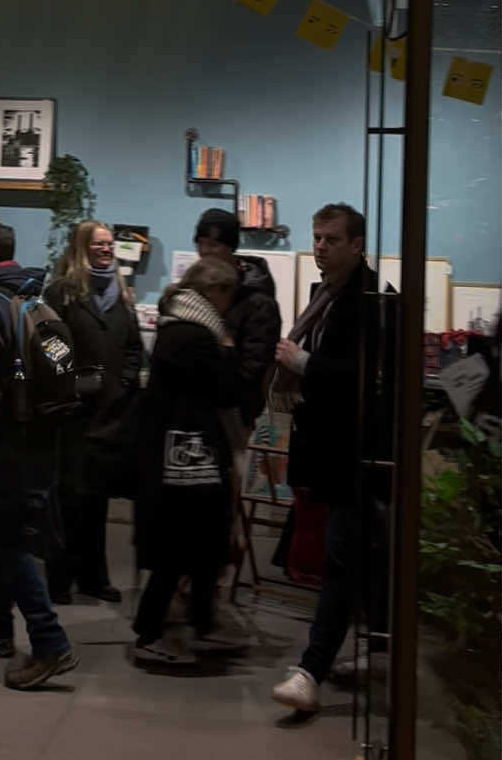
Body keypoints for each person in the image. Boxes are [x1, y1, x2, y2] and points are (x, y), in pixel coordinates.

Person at [0, 222, 77, 690]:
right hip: (36, 434)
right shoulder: (32, 294)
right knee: (7, 534)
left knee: (8, 541)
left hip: (0, 441)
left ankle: (49, 642)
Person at [269, 202, 379, 713]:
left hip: (354, 452)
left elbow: (365, 379)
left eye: (331, 239)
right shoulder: (326, 295)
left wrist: (302, 362)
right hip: (328, 446)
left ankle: (312, 668)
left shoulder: (372, 300)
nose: (320, 247)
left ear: (357, 243)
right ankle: (374, 648)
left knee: (340, 558)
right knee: (358, 555)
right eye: (316, 238)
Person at [131, 257, 241, 666]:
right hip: (189, 454)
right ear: (214, 292)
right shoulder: (198, 335)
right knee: (190, 543)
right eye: (228, 296)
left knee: (183, 545)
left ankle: (195, 624)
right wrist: (228, 349)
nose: (228, 308)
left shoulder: (174, 326)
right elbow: (226, 390)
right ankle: (157, 630)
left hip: (170, 451)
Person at [44, 220, 143, 604]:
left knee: (97, 498)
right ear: (82, 247)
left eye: (109, 244)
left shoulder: (122, 295)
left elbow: (134, 346)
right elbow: (48, 343)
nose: (106, 249)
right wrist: (70, 381)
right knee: (68, 498)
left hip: (111, 412)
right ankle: (59, 578)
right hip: (72, 412)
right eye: (98, 243)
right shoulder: (61, 293)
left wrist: (126, 381)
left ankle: (93, 577)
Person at [192, 208, 281, 633]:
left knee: (222, 508)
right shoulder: (199, 289)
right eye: (201, 243)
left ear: (231, 249)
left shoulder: (257, 300)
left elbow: (251, 371)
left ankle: (215, 596)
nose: (205, 252)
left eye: (214, 245)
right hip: (198, 417)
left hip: (230, 419)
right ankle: (195, 593)